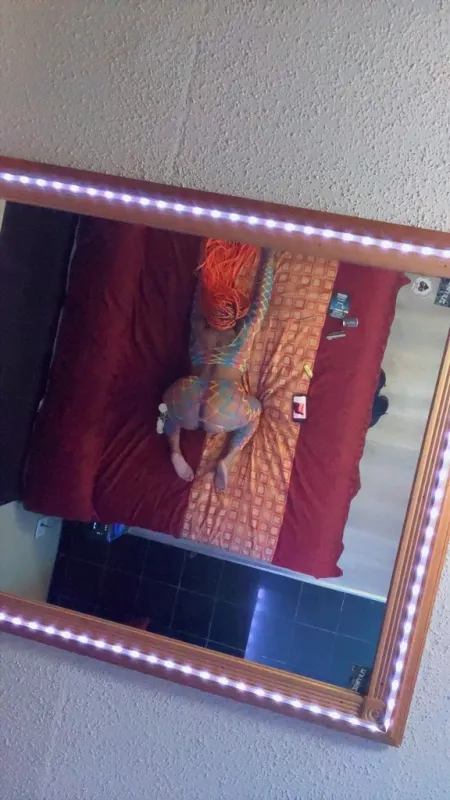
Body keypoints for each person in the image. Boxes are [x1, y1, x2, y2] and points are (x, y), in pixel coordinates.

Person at [161, 242, 274, 491]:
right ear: (236, 316)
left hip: (187, 395)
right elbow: (262, 299)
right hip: (220, 406)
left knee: (164, 408)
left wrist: (206, 255)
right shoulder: (242, 333)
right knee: (255, 413)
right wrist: (269, 255)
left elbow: (200, 288)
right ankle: (229, 457)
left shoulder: (197, 324)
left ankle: (174, 448)